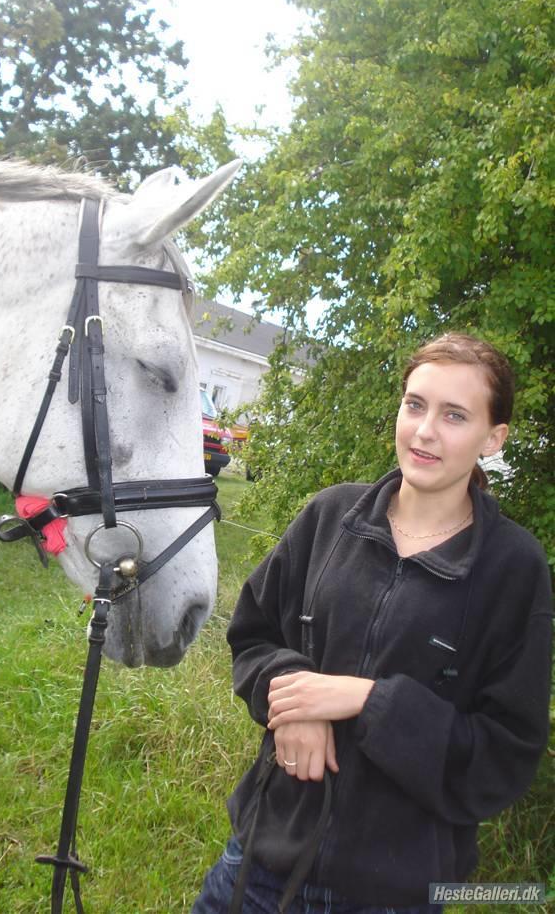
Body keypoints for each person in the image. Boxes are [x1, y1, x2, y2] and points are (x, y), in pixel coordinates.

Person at [192, 333, 552, 914]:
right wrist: (292, 701)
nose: (425, 431)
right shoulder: (331, 516)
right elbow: (253, 635)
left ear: (493, 438)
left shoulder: (512, 569)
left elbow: (503, 755)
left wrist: (366, 700)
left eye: (454, 415)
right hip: (258, 864)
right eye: (415, 405)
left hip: (393, 893)